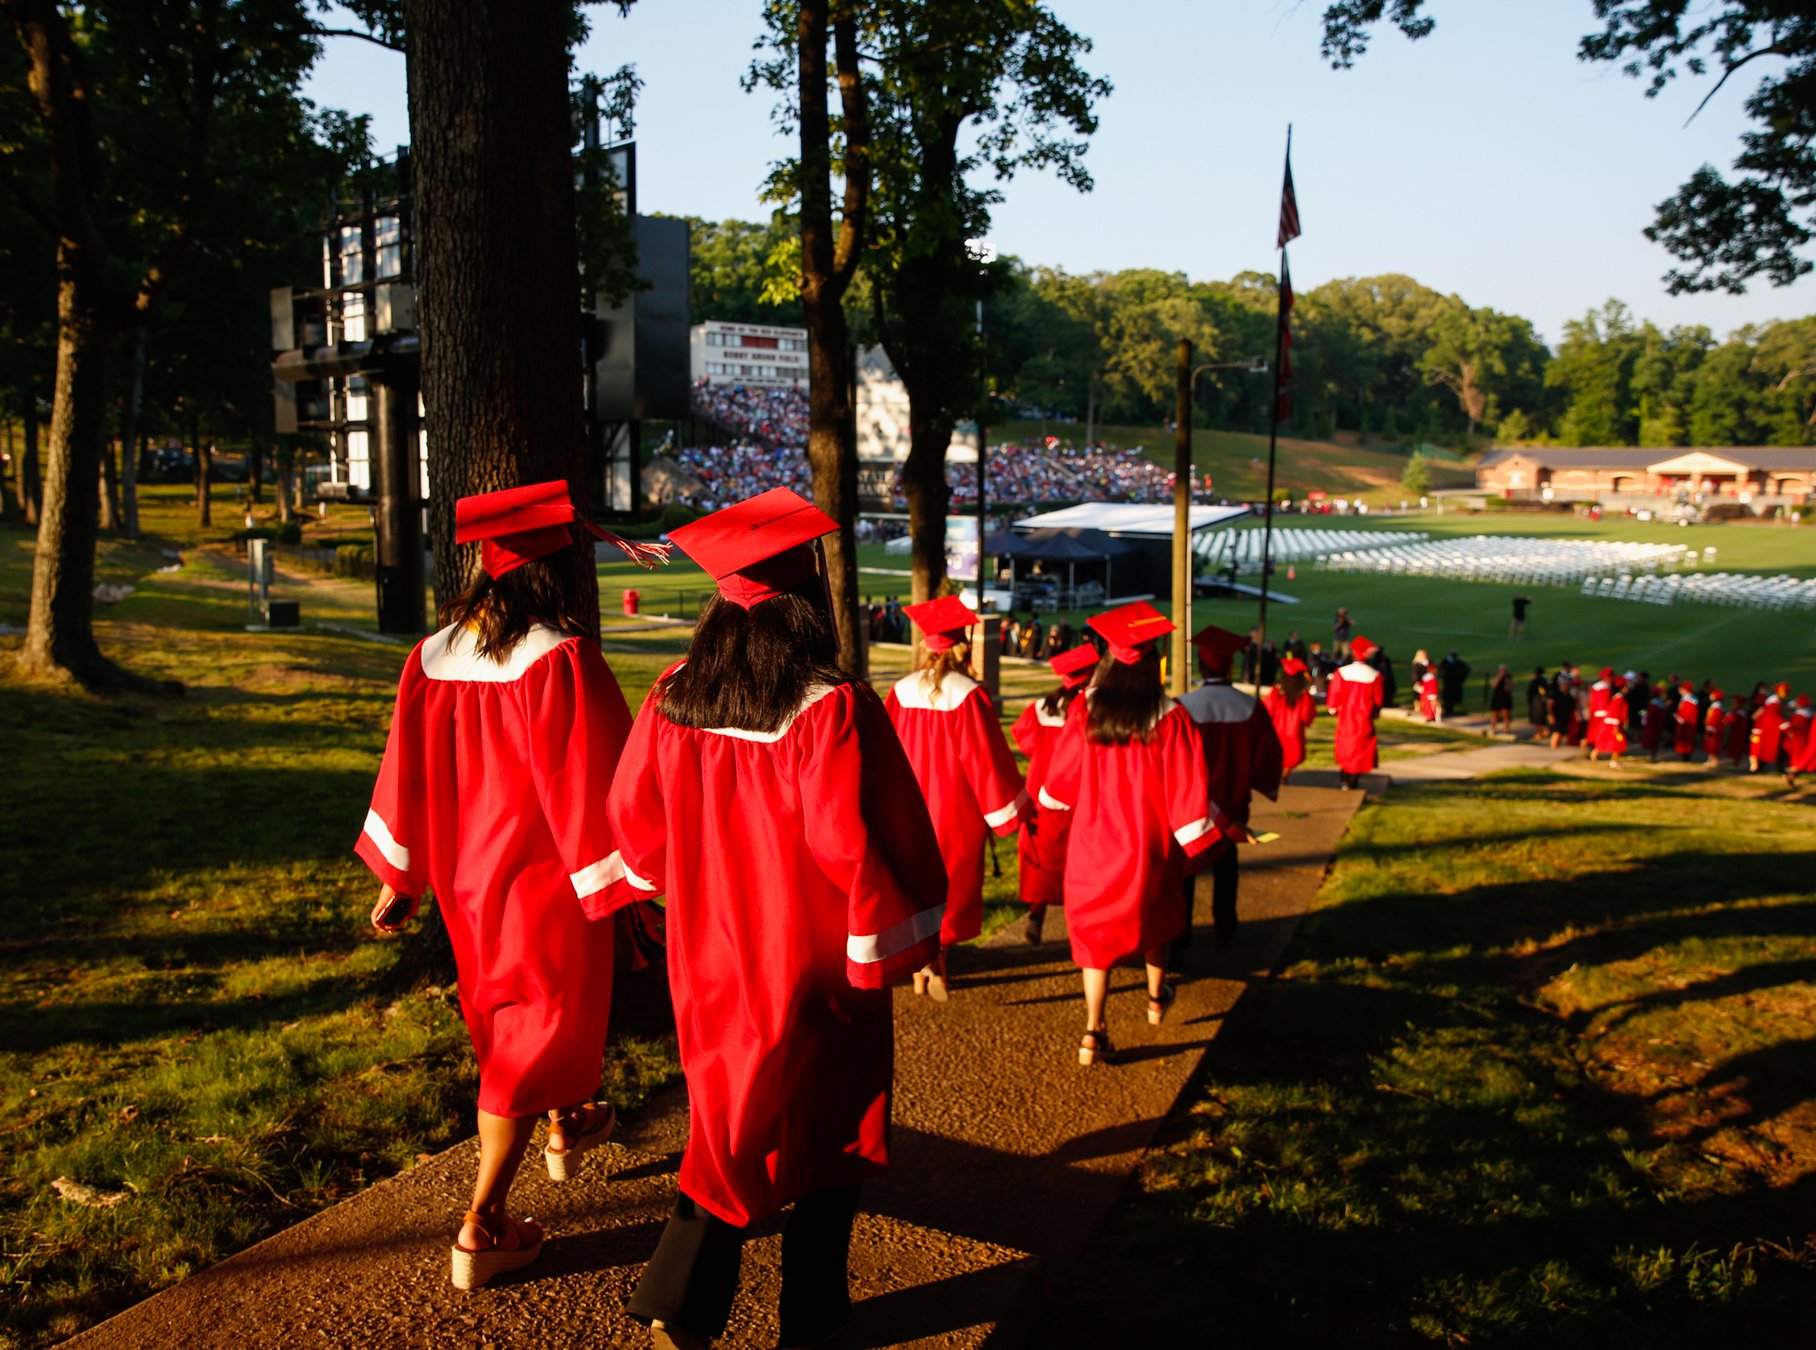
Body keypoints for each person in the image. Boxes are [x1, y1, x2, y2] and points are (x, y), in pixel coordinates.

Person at [603, 488, 948, 1349]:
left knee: (728, 1121)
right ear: (810, 600)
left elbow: (633, 822)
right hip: (813, 959)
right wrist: (892, 944)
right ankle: (802, 1316)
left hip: (707, 955)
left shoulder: (676, 695)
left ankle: (685, 1306)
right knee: (829, 1128)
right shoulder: (829, 704)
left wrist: (655, 885)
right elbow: (854, 843)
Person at [355, 480, 659, 1291]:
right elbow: (598, 780)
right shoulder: (560, 658)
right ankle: (483, 1222)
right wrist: (628, 884)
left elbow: (404, 776)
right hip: (542, 880)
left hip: (466, 880)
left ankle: (568, 1122)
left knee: (507, 1012)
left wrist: (401, 872)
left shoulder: (430, 656)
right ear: (555, 572)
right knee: (536, 1026)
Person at [1038, 601, 1223, 1065]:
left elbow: (1059, 786)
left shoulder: (1087, 709)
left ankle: (1092, 1030)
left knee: (1093, 937)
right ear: (1155, 658)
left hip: (1092, 844)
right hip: (1148, 842)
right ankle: (1156, 999)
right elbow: (1187, 795)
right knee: (1156, 917)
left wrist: (1051, 803)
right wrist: (1208, 837)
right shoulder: (1172, 716)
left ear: (1109, 655)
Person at [886, 594, 1027, 999]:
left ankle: (921, 964)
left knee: (913, 883)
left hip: (909, 806)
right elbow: (985, 760)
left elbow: (886, 751)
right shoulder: (968, 694)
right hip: (954, 807)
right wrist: (1006, 813)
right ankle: (938, 961)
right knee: (950, 885)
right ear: (963, 642)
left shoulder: (900, 690)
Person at [1178, 625, 1284, 950]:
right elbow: (1269, 756)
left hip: (1191, 808)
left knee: (1185, 874)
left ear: (1201, 664)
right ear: (1229, 665)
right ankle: (1226, 930)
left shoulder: (1181, 707)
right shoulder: (1249, 707)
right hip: (1234, 802)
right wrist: (1257, 780)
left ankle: (1180, 941)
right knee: (1227, 869)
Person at [1012, 644, 1099, 944]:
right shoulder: (1093, 711)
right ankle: (1081, 929)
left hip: (1042, 796)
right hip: (1080, 797)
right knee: (1081, 865)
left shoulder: (1040, 707)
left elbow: (1022, 736)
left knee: (1043, 863)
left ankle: (1036, 913)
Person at [1326, 634, 1387, 790]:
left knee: (1345, 747)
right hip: (1363, 718)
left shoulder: (1341, 672)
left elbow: (1334, 694)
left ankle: (1345, 778)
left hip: (1346, 717)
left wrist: (1333, 708)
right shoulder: (1375, 675)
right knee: (1359, 750)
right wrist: (1374, 713)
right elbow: (1378, 700)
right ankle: (1351, 781)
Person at [1263, 655, 1318, 783]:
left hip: (1277, 731)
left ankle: (1279, 775)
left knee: (1277, 756)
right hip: (1295, 732)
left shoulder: (1277, 692)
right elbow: (1307, 716)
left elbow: (1267, 710)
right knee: (1292, 757)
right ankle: (1285, 775)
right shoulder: (1303, 695)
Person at [1750, 682, 1789, 773]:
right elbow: (1772, 716)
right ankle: (1758, 766)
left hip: (1767, 728)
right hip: (1766, 729)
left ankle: (1762, 766)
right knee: (1761, 748)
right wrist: (1784, 724)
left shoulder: (1774, 701)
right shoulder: (1773, 703)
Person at [1604, 675, 1630, 769]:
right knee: (1617, 743)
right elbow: (1615, 712)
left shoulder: (1619, 697)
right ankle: (1614, 761)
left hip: (1618, 724)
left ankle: (1615, 760)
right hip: (1616, 724)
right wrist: (1616, 726)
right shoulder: (1619, 698)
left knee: (1618, 743)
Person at [1437, 649, 1471, 718]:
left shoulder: (1458, 662)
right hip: (1448, 683)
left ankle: (1450, 710)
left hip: (1454, 684)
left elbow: (1466, 669)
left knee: (1453, 698)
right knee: (1447, 698)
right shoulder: (1446, 661)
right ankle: (1447, 710)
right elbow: (1440, 670)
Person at [1674, 681, 1702, 761]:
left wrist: (1680, 719)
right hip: (1684, 725)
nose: (1679, 689)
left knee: (1686, 743)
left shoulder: (1690, 701)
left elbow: (1687, 715)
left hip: (1686, 726)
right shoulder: (1685, 699)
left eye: (1681, 688)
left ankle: (1686, 757)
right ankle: (1684, 757)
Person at [1643, 683, 1671, 761]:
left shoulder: (1655, 703)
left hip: (1654, 725)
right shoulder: (1658, 703)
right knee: (1654, 740)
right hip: (1657, 724)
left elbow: (1652, 715)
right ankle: (1653, 755)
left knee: (1653, 740)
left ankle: (1653, 755)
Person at [1488, 664, 1514, 734]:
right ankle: (1492, 728)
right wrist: (1499, 676)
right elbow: (1494, 685)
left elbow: (1508, 688)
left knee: (1506, 715)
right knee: (1495, 714)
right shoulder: (1497, 677)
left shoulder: (1508, 678)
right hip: (1497, 698)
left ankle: (1506, 729)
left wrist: (1506, 680)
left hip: (1505, 698)